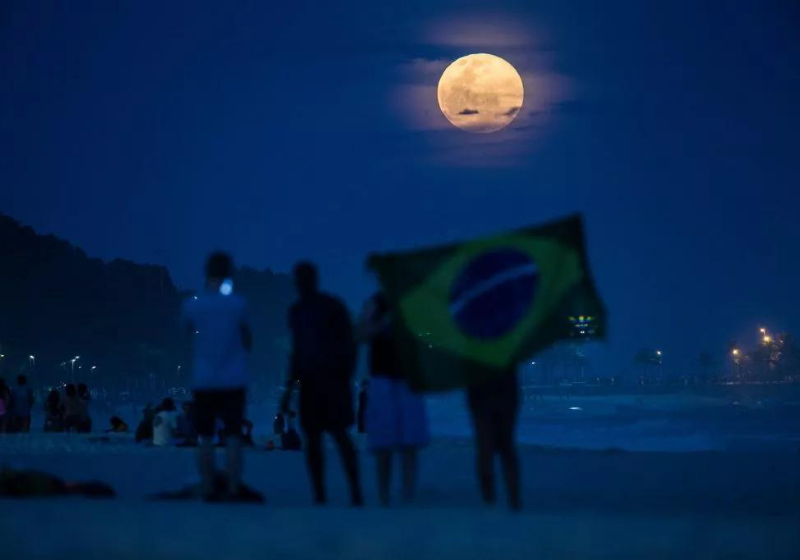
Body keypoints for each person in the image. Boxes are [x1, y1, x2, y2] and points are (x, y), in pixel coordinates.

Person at [281, 261, 362, 506]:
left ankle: (348, 493)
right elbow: (296, 354)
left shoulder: (326, 307)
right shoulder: (299, 311)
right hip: (315, 383)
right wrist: (289, 389)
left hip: (330, 382)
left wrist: (345, 375)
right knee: (320, 440)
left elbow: (349, 344)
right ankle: (323, 494)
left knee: (336, 437)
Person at [181, 251, 253, 501]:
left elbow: (187, 333)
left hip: (204, 380)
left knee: (205, 437)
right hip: (234, 379)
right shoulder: (239, 304)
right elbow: (247, 339)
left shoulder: (192, 304)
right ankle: (233, 487)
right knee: (233, 436)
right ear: (229, 273)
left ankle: (209, 487)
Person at [357, 292, 429, 506]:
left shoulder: (412, 301)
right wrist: (381, 323)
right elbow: (359, 334)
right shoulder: (376, 303)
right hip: (383, 379)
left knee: (410, 443)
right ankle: (384, 495)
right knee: (384, 442)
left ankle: (407, 492)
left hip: (407, 379)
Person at [466, 368, 522, 511]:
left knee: (487, 449)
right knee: (505, 448)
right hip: (503, 392)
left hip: (484, 393)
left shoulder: (474, 348)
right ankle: (511, 496)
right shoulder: (506, 348)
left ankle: (490, 496)